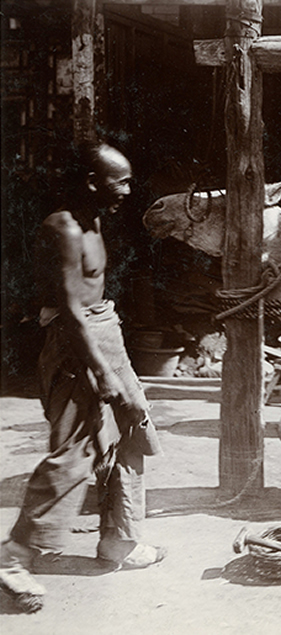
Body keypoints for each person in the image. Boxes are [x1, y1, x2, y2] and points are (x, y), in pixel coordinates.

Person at [1, 142, 166, 599]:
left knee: (130, 433)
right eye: (122, 181)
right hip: (79, 349)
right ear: (93, 182)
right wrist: (103, 373)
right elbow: (72, 312)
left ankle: (118, 540)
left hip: (104, 337)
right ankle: (14, 556)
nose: (129, 191)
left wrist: (115, 365)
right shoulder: (65, 229)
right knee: (76, 453)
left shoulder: (93, 220)